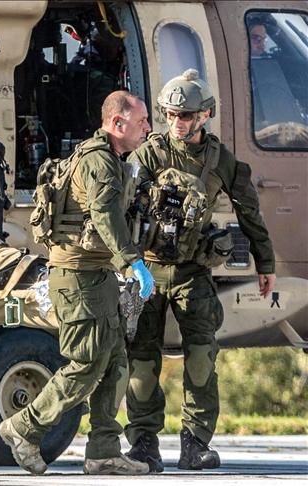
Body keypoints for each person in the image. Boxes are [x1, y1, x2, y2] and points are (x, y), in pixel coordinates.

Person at [125, 69, 276, 472]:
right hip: (147, 271)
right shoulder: (148, 155)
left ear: (205, 115)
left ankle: (195, 444)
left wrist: (266, 263)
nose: (177, 122)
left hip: (192, 272)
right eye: (171, 114)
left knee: (201, 357)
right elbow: (118, 205)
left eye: (186, 115)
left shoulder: (221, 160)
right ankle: (143, 444)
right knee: (141, 359)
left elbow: (250, 212)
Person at [0, 90, 153, 476]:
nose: (148, 128)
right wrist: (133, 261)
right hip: (79, 279)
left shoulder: (105, 157)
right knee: (86, 363)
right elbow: (104, 215)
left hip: (95, 275)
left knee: (114, 362)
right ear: (117, 123)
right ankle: (24, 427)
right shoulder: (99, 161)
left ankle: (103, 451)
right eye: (141, 121)